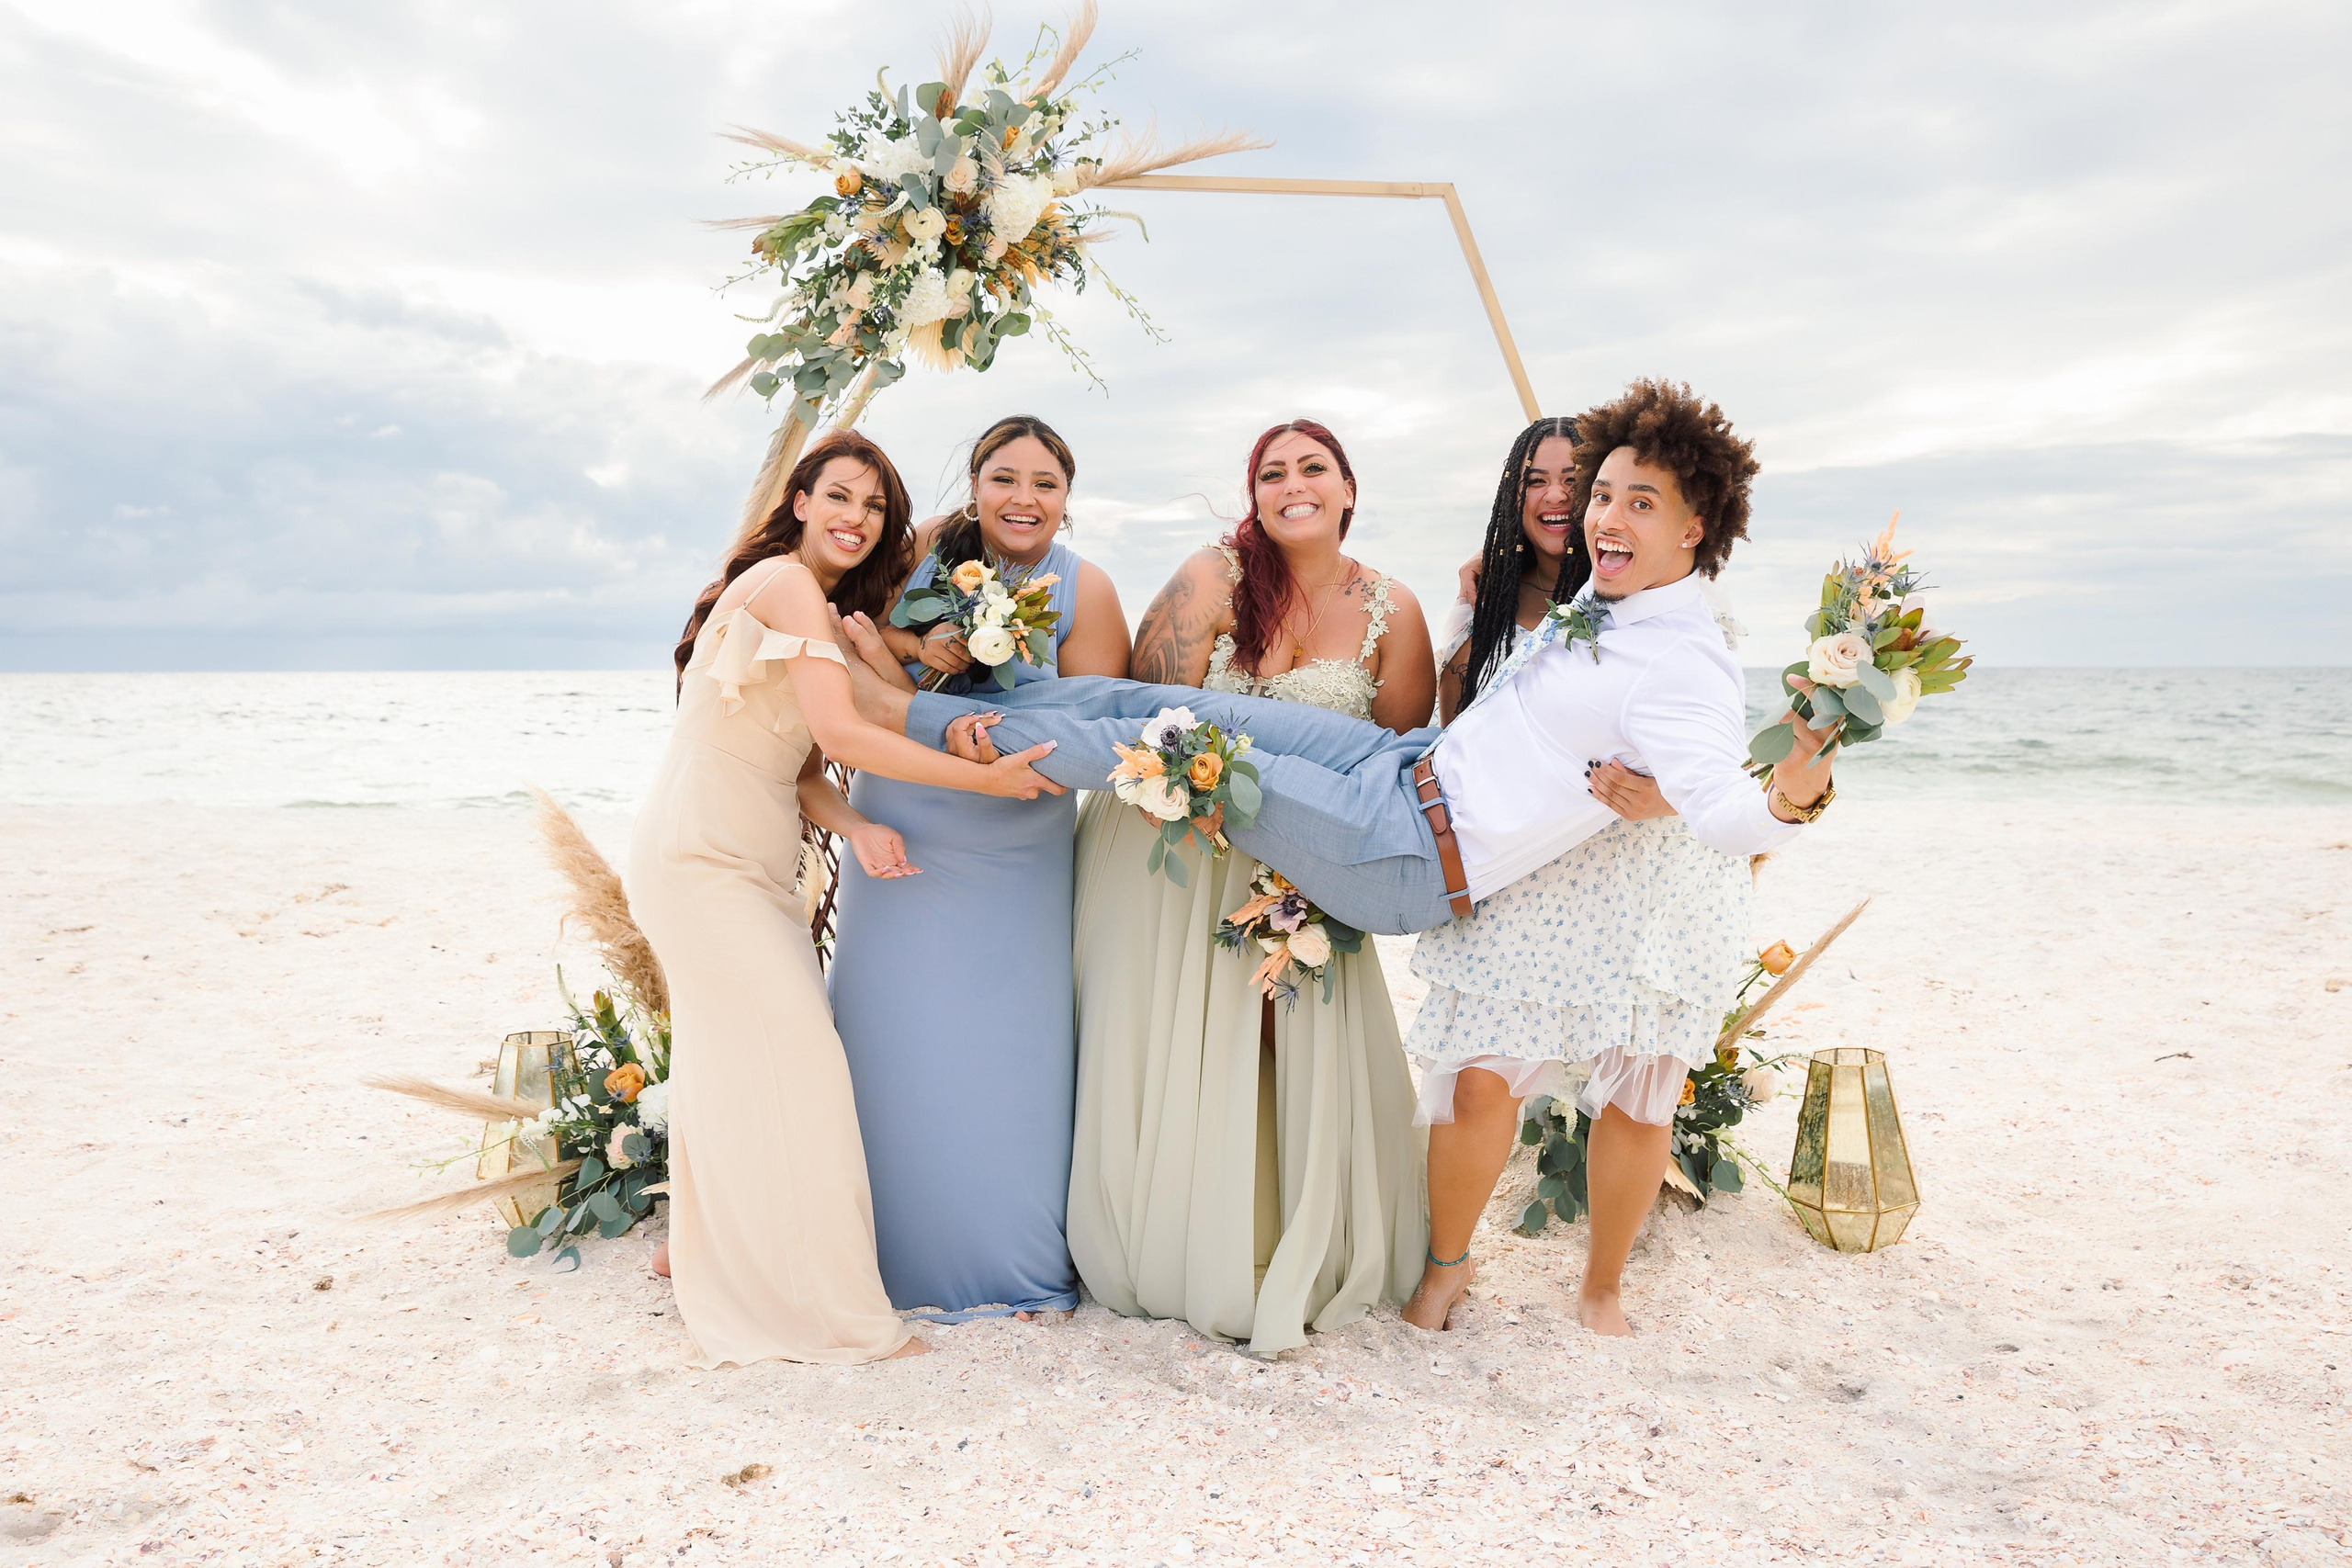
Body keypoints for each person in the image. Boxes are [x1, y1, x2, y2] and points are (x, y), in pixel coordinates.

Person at [838, 379, 1839, 1329]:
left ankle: (900, 716)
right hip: (1405, 768)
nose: (1606, 518)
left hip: (1410, 850)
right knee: (1152, 703)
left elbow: (1727, 812)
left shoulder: (1686, 660)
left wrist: (1795, 787)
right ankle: (928, 697)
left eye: (1640, 503)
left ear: (1695, 528)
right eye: (1604, 495)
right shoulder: (1613, 604)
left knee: (1175, 751)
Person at [627, 430, 1062, 1368]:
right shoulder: (786, 584)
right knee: (807, 1070)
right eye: (839, 496)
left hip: (747, 862)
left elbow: (796, 766)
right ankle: (829, 1315)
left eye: (873, 506)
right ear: (799, 502)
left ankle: (713, 1257)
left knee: (738, 1070)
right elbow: (842, 733)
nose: (855, 518)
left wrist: (856, 825)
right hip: (701, 860)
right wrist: (981, 779)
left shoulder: (812, 604)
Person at [1065, 420, 1434, 1357]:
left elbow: (1386, 763)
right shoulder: (1213, 577)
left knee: (1284, 1037)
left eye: (1313, 468)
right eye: (1272, 472)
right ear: (1255, 496)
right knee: (1177, 1035)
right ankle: (1178, 1240)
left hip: (1299, 858)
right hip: (1175, 846)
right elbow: (1147, 717)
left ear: (1348, 489)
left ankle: (1281, 1237)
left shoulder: (1394, 609)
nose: (1292, 484)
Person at [826, 414, 1130, 1324]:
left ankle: (1007, 1257)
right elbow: (854, 643)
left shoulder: (1087, 588)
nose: (1022, 498)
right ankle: (868, 1247)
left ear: (1067, 498)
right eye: (1004, 478)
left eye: (1044, 483)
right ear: (974, 485)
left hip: (1016, 838)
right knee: (889, 1029)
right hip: (905, 815)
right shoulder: (923, 549)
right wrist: (919, 653)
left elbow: (1090, 730)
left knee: (1008, 1048)